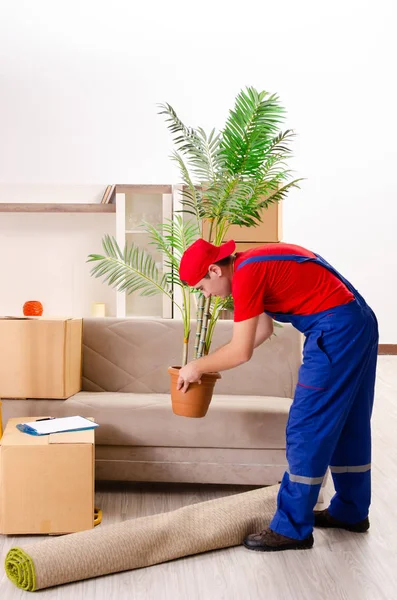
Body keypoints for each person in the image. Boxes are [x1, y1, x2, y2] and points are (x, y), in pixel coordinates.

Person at [177, 238, 379, 552]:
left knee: (307, 426)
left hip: (336, 331)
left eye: (201, 286)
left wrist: (196, 367)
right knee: (348, 424)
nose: (205, 294)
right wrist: (204, 365)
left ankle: (292, 528)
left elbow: (240, 351)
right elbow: (262, 331)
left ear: (215, 270)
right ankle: (350, 511)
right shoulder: (251, 263)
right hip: (358, 322)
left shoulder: (246, 274)